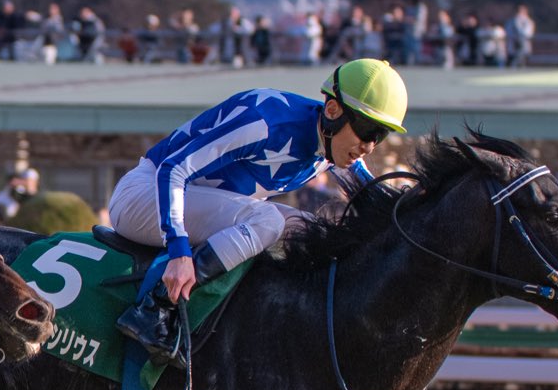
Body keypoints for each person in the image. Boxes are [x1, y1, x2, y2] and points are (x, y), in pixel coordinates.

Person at [109, 58, 406, 363]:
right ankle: (156, 307)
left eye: (380, 135)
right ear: (332, 110)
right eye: (367, 130)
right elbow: (172, 168)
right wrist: (179, 251)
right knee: (265, 219)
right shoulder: (265, 123)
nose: (369, 145)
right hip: (144, 197)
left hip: (189, 200)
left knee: (310, 230)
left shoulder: (333, 139)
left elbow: (372, 192)